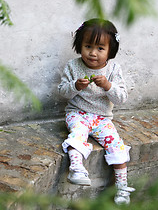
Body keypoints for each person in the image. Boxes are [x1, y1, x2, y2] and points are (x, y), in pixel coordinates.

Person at [58, 18, 135, 205]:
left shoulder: (113, 69)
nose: (93, 53)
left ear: (111, 50)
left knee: (116, 144)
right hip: (78, 113)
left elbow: (121, 98)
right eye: (88, 46)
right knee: (78, 133)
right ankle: (77, 169)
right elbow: (63, 93)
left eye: (100, 48)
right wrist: (75, 86)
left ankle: (121, 187)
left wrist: (108, 85)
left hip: (102, 119)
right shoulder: (73, 66)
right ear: (79, 46)